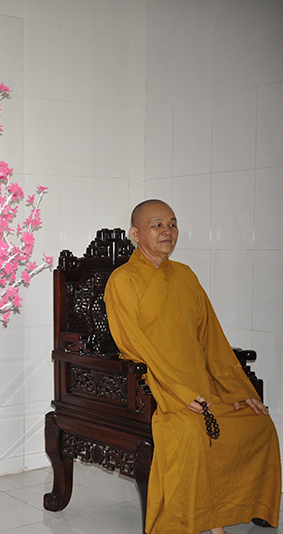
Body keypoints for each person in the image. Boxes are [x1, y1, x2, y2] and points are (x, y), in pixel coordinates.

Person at [104, 199, 281, 534]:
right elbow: (134, 344)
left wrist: (238, 388)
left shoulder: (185, 275)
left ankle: (234, 508)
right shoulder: (122, 280)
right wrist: (179, 392)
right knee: (192, 433)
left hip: (202, 384)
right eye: (157, 224)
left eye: (172, 224)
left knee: (258, 424)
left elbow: (211, 337)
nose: (167, 231)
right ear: (135, 234)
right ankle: (197, 520)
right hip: (158, 388)